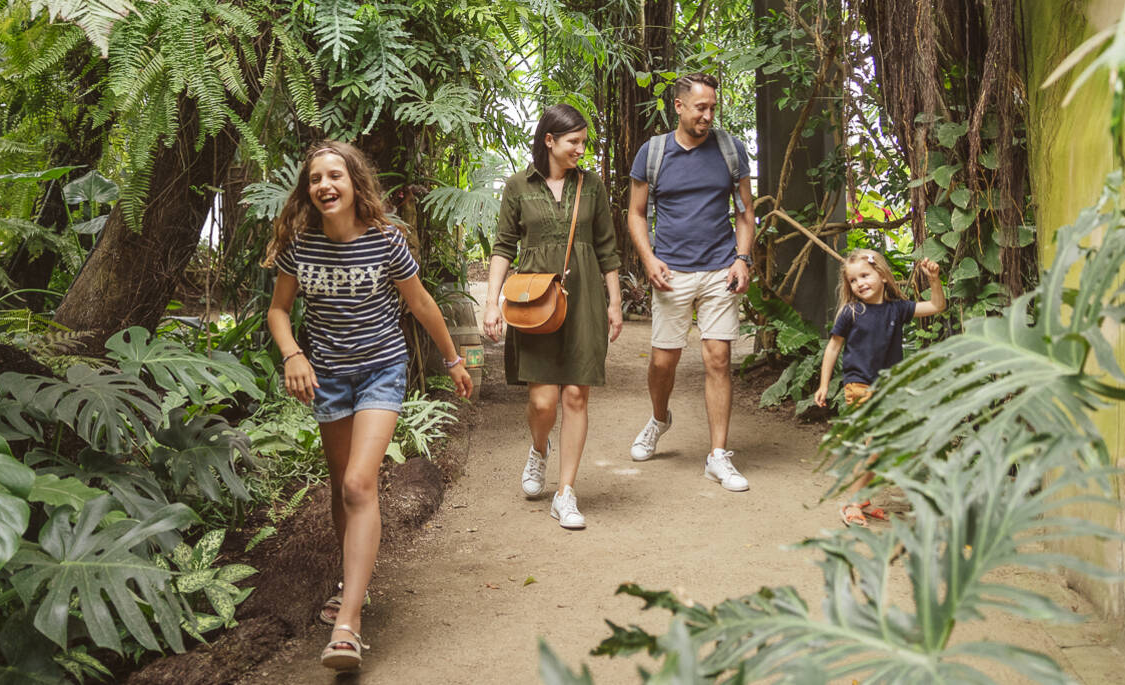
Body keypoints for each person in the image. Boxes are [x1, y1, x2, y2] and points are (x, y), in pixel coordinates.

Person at [263, 140, 474, 672]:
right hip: (328, 379)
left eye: (336, 175)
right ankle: (349, 583)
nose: (325, 185)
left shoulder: (385, 240)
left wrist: (453, 361)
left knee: (360, 483)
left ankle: (348, 623)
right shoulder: (300, 245)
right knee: (342, 486)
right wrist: (293, 353)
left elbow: (420, 302)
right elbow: (279, 311)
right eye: (316, 179)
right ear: (308, 191)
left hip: (382, 370)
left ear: (356, 183)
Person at [482, 104, 623, 530]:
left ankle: (566, 492)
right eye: (573, 142)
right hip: (537, 300)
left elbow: (606, 248)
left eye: (583, 141)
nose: (581, 149)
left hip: (584, 300)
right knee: (542, 401)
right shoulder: (517, 186)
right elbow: (504, 246)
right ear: (549, 141)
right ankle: (539, 448)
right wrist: (491, 303)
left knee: (576, 396)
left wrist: (615, 302)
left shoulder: (592, 186)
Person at [624, 73, 756, 492]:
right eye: (701, 107)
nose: (708, 115)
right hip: (672, 271)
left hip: (720, 267)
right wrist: (649, 259)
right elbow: (636, 213)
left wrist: (742, 259)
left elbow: (745, 212)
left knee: (718, 358)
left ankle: (718, 455)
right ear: (678, 107)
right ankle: (660, 418)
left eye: (713, 107)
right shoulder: (654, 152)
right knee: (664, 361)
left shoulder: (730, 150)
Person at [810, 250, 945, 526]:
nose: (859, 283)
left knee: (880, 447)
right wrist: (824, 384)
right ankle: (851, 502)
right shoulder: (851, 312)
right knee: (874, 446)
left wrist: (934, 279)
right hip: (859, 386)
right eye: (854, 280)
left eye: (865, 275)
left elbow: (936, 306)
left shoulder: (898, 309)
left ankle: (862, 500)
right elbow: (833, 346)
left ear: (882, 276)